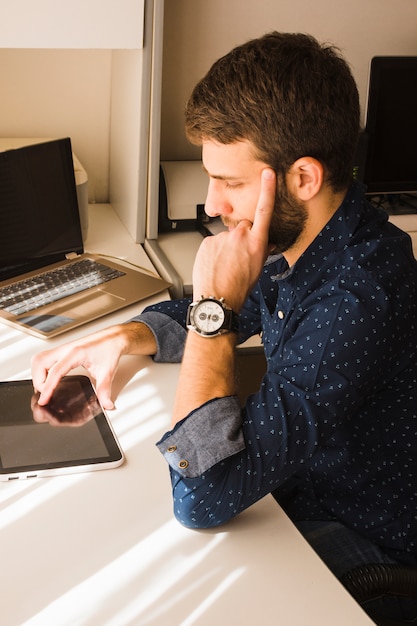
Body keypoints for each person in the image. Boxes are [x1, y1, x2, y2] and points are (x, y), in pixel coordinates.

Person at [32, 32, 417, 621]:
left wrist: (212, 302)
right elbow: (238, 310)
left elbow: (203, 494)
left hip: (364, 542)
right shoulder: (317, 234)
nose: (211, 204)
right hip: (292, 489)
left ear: (303, 178)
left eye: (230, 182)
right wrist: (126, 336)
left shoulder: (357, 296)